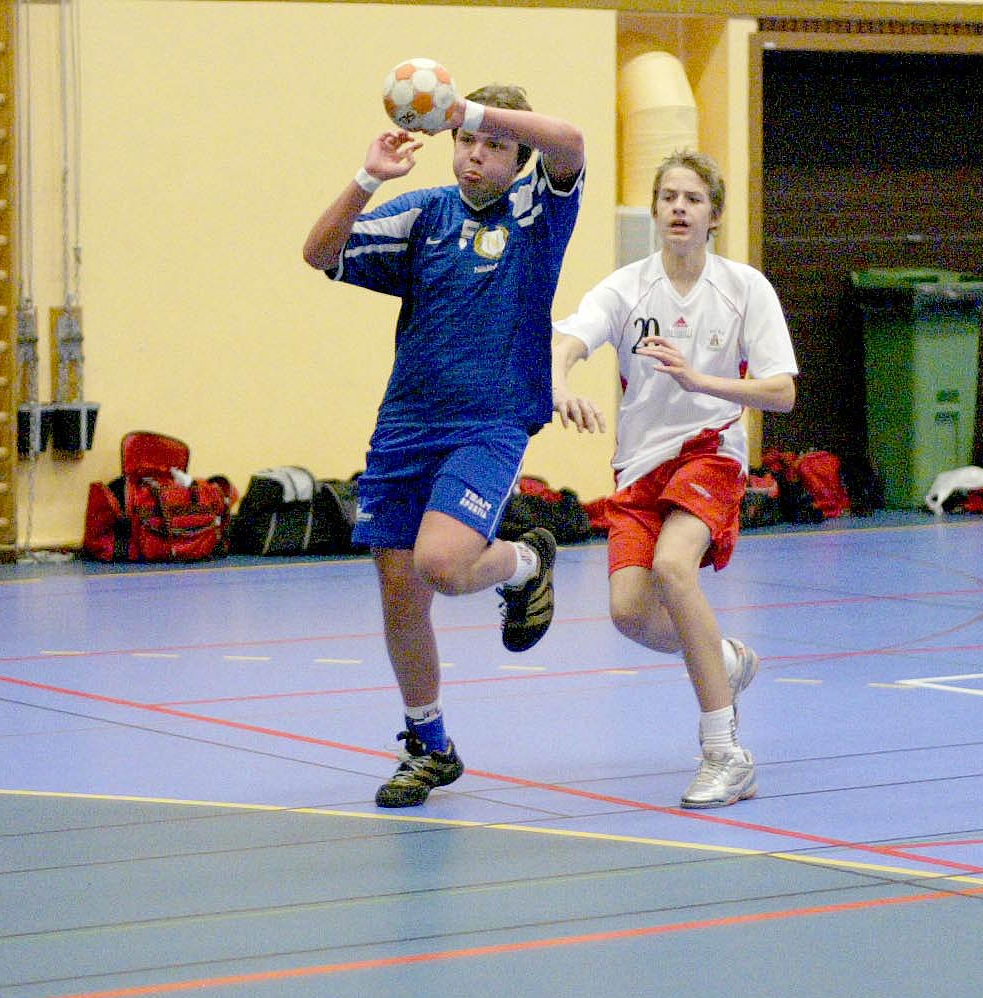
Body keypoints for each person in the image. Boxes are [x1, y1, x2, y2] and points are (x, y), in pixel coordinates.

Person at [303, 83, 590, 808]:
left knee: (440, 563)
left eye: (492, 145)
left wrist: (465, 109)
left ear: (515, 156)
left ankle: (526, 560)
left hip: (488, 423)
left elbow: (569, 140)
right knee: (399, 589)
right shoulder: (423, 212)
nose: (474, 155)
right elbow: (318, 253)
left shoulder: (535, 211)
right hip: (404, 425)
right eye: (465, 142)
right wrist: (368, 178)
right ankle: (429, 746)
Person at [551, 148, 797, 809]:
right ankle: (722, 660)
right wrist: (558, 379)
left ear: (714, 213)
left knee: (673, 568)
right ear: (655, 210)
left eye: (691, 198)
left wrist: (701, 380)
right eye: (668, 198)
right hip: (639, 464)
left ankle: (724, 752)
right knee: (629, 612)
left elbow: (779, 392)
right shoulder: (626, 287)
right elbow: (568, 337)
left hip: (709, 451)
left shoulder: (745, 288)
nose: (678, 208)